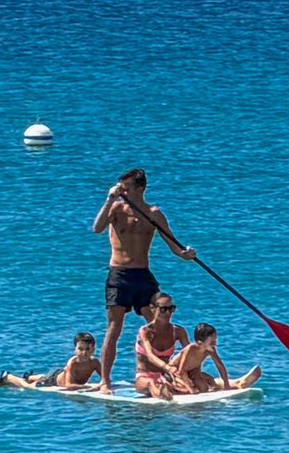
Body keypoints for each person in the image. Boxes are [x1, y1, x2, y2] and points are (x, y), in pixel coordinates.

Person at [92, 168, 195, 390]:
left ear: (140, 188)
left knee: (159, 326)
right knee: (114, 328)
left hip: (142, 275)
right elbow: (97, 228)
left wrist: (186, 254)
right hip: (119, 275)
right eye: (120, 188)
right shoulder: (116, 208)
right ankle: (105, 381)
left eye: (126, 188)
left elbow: (173, 244)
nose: (122, 192)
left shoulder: (153, 213)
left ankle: (167, 375)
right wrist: (109, 199)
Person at [171, 323, 261, 394]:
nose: (215, 344)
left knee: (204, 387)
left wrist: (227, 386)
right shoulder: (190, 349)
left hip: (192, 372)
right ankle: (235, 384)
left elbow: (220, 366)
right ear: (200, 342)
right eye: (212, 342)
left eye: (215, 340)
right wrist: (190, 388)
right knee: (187, 389)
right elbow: (181, 371)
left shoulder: (210, 349)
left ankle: (233, 384)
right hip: (175, 372)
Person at [0, 332, 100, 390]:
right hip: (53, 380)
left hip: (58, 375)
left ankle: (29, 376)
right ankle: (8, 377)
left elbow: (105, 379)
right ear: (75, 350)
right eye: (80, 349)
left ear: (93, 349)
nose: (84, 353)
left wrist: (103, 385)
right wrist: (88, 386)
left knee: (44, 377)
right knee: (30, 387)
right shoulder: (72, 363)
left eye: (87, 349)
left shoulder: (95, 363)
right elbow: (68, 385)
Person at [132, 293, 186, 398]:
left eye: (171, 309)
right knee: (151, 383)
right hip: (145, 376)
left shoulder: (178, 332)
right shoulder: (145, 331)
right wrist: (167, 367)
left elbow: (189, 352)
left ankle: (166, 388)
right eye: (163, 309)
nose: (168, 313)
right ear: (152, 308)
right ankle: (161, 392)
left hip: (165, 376)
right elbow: (150, 356)